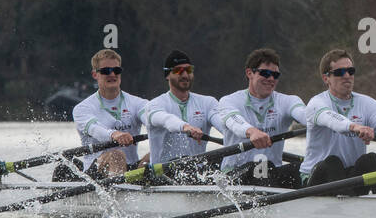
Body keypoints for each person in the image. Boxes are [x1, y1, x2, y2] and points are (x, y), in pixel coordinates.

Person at [141, 50, 245, 180]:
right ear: (168, 75)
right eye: (179, 70)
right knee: (186, 164)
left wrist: (243, 132)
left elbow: (223, 123)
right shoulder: (154, 105)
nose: (185, 74)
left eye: (189, 70)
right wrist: (185, 127)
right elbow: (167, 120)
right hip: (163, 175)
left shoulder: (208, 102)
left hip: (197, 172)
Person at [214, 48, 305, 189]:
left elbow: (305, 115)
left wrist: (320, 122)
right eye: (265, 73)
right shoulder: (229, 101)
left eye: (275, 75)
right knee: (258, 168)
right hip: (232, 176)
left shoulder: (288, 101)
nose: (271, 79)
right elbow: (234, 122)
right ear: (249, 73)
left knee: (305, 168)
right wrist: (252, 132)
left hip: (270, 174)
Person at [300, 49, 376, 192]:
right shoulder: (316, 103)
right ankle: (348, 205)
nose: (347, 76)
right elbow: (332, 120)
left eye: (350, 71)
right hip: (317, 178)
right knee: (332, 163)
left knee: (371, 160)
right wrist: (356, 127)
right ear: (326, 78)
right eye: (340, 72)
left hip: (350, 176)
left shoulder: (368, 103)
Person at [61, 49, 149, 180]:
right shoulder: (82, 108)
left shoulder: (137, 103)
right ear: (95, 74)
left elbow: (151, 118)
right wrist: (114, 134)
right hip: (95, 171)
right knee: (116, 155)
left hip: (131, 168)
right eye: (106, 71)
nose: (112, 74)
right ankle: (120, 195)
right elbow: (95, 129)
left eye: (116, 70)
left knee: (157, 154)